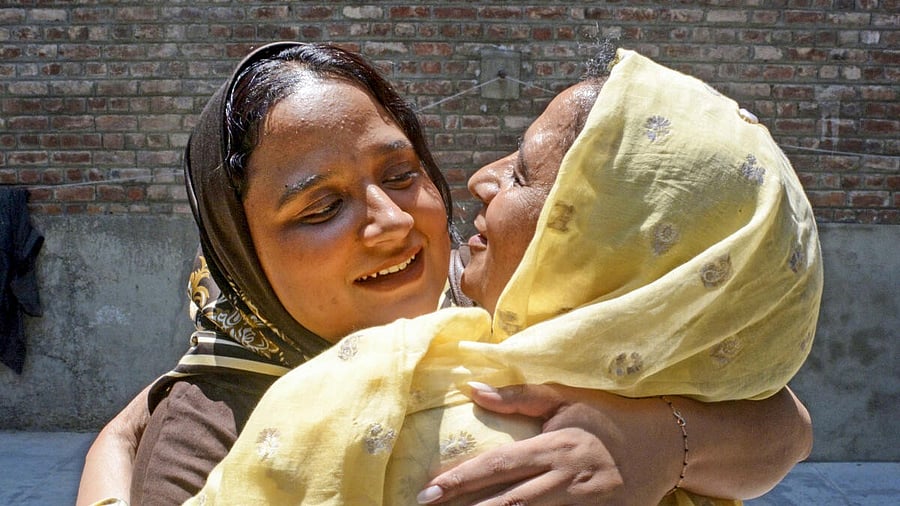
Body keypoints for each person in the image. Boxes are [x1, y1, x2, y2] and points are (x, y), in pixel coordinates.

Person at [78, 42, 813, 506]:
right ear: (241, 250)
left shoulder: (483, 307)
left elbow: (784, 424)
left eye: (401, 173)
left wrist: (656, 442)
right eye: (320, 206)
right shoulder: (209, 428)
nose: (393, 222)